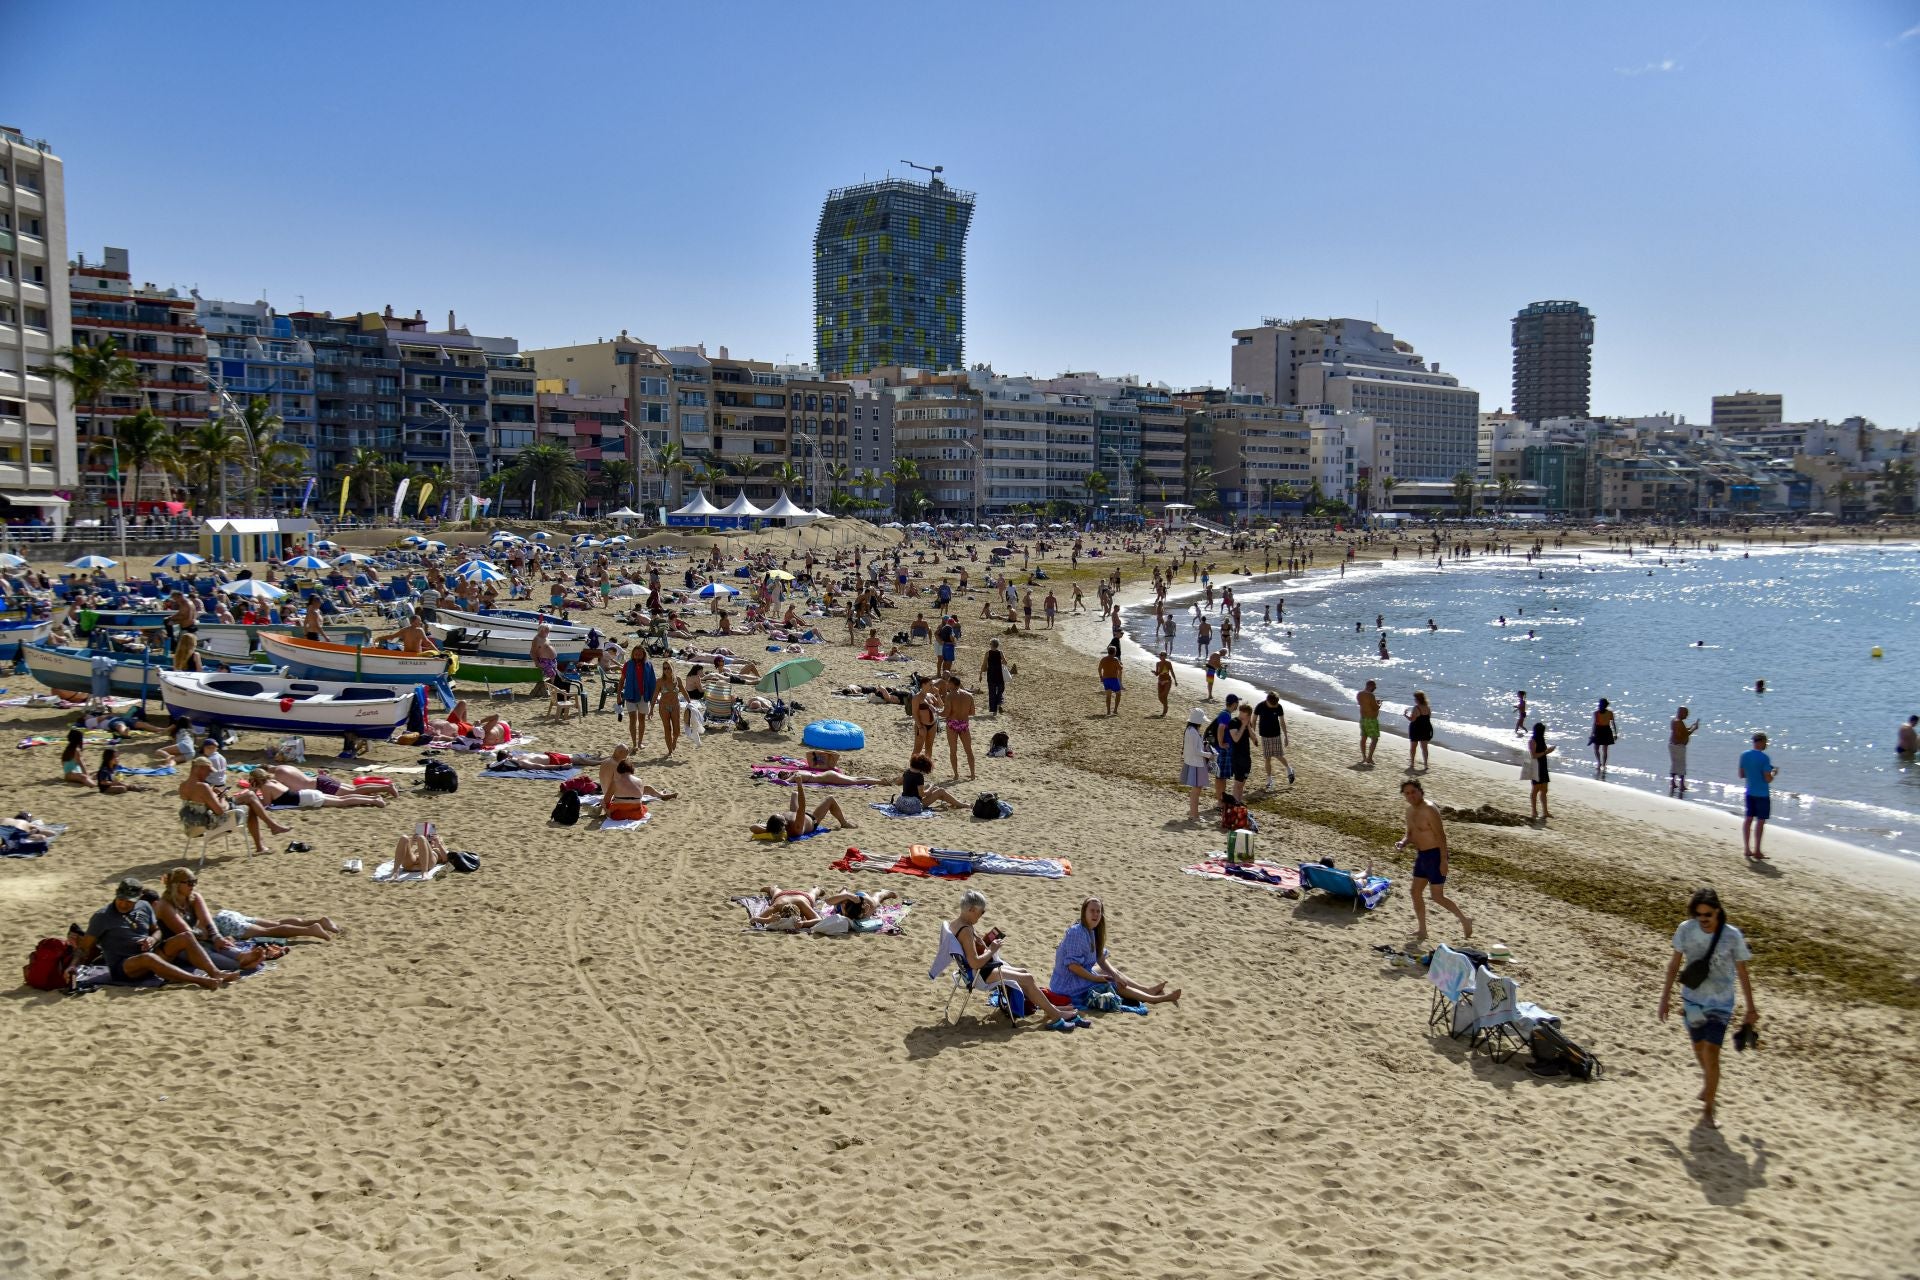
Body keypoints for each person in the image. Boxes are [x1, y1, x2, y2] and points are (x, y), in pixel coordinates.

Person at [1658, 886, 1758, 1129]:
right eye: (1699, 915)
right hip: (1692, 1000)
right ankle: (1709, 1082)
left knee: (1712, 1052)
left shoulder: (1732, 936)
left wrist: (1751, 1008)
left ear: (1717, 911)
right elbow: (1674, 965)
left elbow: (1743, 972)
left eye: (1708, 915)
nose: (1703, 919)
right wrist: (1664, 997)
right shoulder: (1686, 929)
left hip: (1721, 1002)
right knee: (1699, 1049)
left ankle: (1709, 1111)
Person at [947, 889, 1081, 1031]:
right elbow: (975, 963)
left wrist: (983, 943)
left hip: (972, 972)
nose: (981, 915)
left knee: (1024, 972)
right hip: (979, 974)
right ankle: (1056, 1014)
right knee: (1028, 978)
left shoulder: (956, 924)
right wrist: (992, 949)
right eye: (982, 912)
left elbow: (970, 953)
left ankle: (1051, 1009)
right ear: (972, 909)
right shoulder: (966, 930)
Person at [78, 878, 230, 990]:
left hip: (150, 953)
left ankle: (215, 973)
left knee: (186, 937)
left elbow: (157, 931)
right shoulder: (102, 917)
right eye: (121, 899)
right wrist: (73, 966)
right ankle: (199, 980)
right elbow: (84, 948)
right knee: (148, 958)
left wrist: (152, 939)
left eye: (129, 901)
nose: (123, 904)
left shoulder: (144, 907)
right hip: (124, 967)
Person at [1050, 897, 1181, 1009]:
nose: (1095, 914)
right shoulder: (1076, 932)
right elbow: (1073, 966)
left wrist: (1115, 974)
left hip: (1077, 976)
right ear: (1084, 912)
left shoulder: (1093, 931)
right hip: (1066, 984)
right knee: (1112, 982)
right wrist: (1096, 979)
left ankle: (1146, 990)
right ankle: (1153, 999)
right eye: (1092, 911)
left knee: (1111, 973)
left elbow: (1101, 959)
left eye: (1098, 911)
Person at [154, 869, 276, 972]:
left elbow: (207, 921)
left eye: (195, 882)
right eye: (189, 883)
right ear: (176, 884)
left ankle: (242, 956)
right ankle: (239, 964)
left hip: (195, 939)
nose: (193, 886)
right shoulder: (165, 905)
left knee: (218, 942)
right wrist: (205, 934)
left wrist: (216, 937)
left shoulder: (194, 898)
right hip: (175, 948)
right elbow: (185, 932)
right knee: (204, 948)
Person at [1395, 780, 1472, 942]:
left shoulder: (1429, 809)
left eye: (1413, 792)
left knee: (1437, 896)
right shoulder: (1409, 811)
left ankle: (1465, 920)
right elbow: (1410, 834)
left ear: (1420, 791)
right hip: (1422, 856)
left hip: (1435, 856)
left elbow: (1441, 836)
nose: (1411, 796)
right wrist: (1403, 842)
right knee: (1415, 892)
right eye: (1407, 793)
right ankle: (1422, 930)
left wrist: (1444, 861)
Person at [180, 756, 292, 856]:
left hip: (193, 826)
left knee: (249, 796)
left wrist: (213, 795)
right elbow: (220, 811)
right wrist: (221, 797)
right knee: (251, 803)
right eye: (207, 771)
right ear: (199, 768)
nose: (209, 774)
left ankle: (271, 828)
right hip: (212, 823)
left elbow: (198, 805)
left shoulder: (183, 786)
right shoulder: (203, 787)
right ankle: (264, 841)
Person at [753, 778, 857, 840]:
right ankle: (844, 823)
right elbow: (802, 806)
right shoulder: (796, 828)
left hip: (795, 813)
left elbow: (752, 827)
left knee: (794, 794)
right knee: (830, 799)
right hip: (812, 819)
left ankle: (796, 792)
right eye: (780, 816)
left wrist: (766, 829)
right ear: (784, 824)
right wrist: (799, 784)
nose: (780, 813)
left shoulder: (774, 828)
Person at [248, 767, 389, 811]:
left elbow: (266, 804)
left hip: (309, 797)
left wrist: (253, 791)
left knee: (343, 801)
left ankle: (375, 799)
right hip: (309, 792)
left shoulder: (266, 786)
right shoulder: (272, 781)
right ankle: (373, 798)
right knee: (345, 796)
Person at [1738, 733, 1777, 860]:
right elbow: (1768, 779)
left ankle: (1747, 849)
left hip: (1750, 792)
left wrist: (1753, 772)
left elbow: (1741, 775)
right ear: (1761, 742)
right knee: (1760, 821)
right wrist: (1773, 773)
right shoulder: (1764, 758)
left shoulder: (1744, 755)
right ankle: (1757, 851)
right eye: (1765, 742)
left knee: (1748, 819)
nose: (1766, 745)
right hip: (1762, 794)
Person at [1255, 690, 1294, 789]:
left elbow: (1282, 722)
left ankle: (1289, 769)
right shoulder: (1260, 706)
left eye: (1275, 704)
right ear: (1267, 700)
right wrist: (1253, 735)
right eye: (1272, 705)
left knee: (1278, 755)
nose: (1274, 706)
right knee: (1267, 758)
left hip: (1276, 734)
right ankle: (1269, 780)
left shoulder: (1279, 707)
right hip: (1264, 736)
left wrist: (1286, 736)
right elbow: (1253, 719)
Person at [898, 754, 963, 812]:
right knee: (941, 791)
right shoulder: (919, 776)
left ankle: (953, 802)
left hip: (901, 803)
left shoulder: (907, 772)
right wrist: (930, 790)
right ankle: (961, 805)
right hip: (911, 806)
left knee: (935, 788)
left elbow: (900, 783)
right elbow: (922, 794)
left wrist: (930, 788)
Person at [621, 645, 656, 754]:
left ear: (643, 654)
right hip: (630, 695)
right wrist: (618, 695)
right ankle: (634, 744)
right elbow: (622, 680)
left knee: (641, 720)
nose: (637, 656)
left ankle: (640, 742)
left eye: (640, 654)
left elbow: (653, 682)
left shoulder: (648, 665)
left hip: (643, 696)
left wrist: (653, 697)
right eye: (636, 654)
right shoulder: (628, 665)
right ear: (633, 654)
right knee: (632, 720)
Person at [942, 675, 977, 780]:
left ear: (952, 684)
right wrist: (963, 713)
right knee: (969, 750)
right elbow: (972, 712)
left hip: (952, 723)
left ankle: (956, 775)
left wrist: (937, 712)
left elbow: (946, 713)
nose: (947, 684)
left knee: (953, 750)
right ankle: (972, 774)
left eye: (949, 683)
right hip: (964, 723)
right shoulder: (969, 695)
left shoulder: (950, 696)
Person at [1181, 708, 1210, 821]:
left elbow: (1194, 748)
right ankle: (1194, 815)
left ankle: (1194, 813)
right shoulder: (1193, 732)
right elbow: (1196, 751)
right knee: (1196, 790)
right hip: (1197, 763)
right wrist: (1209, 755)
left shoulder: (1190, 730)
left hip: (1194, 762)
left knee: (1196, 789)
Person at [1527, 722, 1555, 822]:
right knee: (1535, 789)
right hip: (1536, 766)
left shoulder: (1541, 739)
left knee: (1544, 789)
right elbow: (1533, 755)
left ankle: (1545, 811)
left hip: (1543, 765)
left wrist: (1548, 751)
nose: (1544, 733)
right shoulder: (1532, 741)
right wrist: (1546, 752)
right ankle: (1534, 811)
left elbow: (1542, 752)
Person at [1669, 706, 1700, 795]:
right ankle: (1681, 785)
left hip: (1672, 745)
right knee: (1681, 766)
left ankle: (1673, 783)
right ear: (1681, 713)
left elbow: (1683, 731)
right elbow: (1685, 734)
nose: (1686, 716)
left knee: (1675, 765)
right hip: (1678, 746)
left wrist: (1691, 727)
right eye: (1685, 714)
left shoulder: (1675, 721)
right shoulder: (1679, 722)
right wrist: (1694, 729)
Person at [1404, 690, 1434, 771]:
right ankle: (1426, 764)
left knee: (1413, 747)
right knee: (1424, 748)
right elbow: (1428, 717)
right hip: (1425, 729)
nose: (1414, 700)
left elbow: (1412, 719)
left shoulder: (1416, 708)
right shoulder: (1428, 707)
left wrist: (1405, 715)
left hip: (1416, 729)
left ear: (1418, 699)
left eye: (1415, 698)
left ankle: (1412, 763)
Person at [978, 639, 1008, 716]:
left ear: (992, 645)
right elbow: (1005, 662)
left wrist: (980, 674)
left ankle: (994, 710)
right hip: (999, 674)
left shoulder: (988, 653)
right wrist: (1000, 662)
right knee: (1001, 689)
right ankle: (999, 703)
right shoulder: (1000, 652)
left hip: (991, 674)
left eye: (990, 643)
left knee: (992, 692)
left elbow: (984, 664)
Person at [1096, 645, 1125, 717]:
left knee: (1108, 696)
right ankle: (1115, 710)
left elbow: (1099, 669)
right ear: (1114, 652)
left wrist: (1101, 677)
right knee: (1118, 694)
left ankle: (1108, 711)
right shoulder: (1115, 660)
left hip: (1106, 679)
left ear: (1108, 652)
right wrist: (1121, 664)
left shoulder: (1103, 659)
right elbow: (1120, 669)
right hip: (1113, 679)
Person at [1589, 698, 1617, 771]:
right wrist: (1592, 734)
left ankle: (1604, 765)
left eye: (1601, 704)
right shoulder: (1596, 713)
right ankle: (1599, 762)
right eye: (1599, 704)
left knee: (1605, 750)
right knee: (1596, 748)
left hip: (1606, 730)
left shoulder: (1610, 713)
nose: (1599, 705)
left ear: (1604, 705)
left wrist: (1615, 733)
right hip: (1598, 730)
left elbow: (1613, 723)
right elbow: (1595, 724)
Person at [1357, 680, 1381, 765]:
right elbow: (1375, 708)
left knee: (1363, 738)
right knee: (1375, 739)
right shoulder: (1371, 695)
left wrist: (1374, 703)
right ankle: (1369, 758)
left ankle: (1364, 757)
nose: (1375, 689)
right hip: (1371, 720)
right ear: (1370, 686)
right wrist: (1379, 704)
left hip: (1363, 719)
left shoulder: (1359, 694)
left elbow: (1362, 704)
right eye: (1374, 687)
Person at [1153, 651, 1176, 717]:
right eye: (1160, 655)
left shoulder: (1168, 663)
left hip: (1167, 680)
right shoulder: (1158, 663)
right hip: (1160, 680)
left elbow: (1172, 672)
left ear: (1165, 656)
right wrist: (1154, 672)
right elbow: (1157, 674)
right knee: (1160, 697)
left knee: (1164, 695)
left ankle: (1164, 710)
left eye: (1162, 655)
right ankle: (1166, 706)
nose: (1160, 656)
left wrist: (1175, 680)